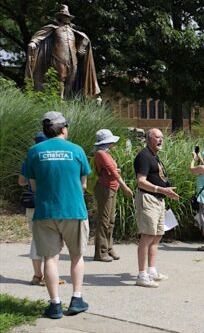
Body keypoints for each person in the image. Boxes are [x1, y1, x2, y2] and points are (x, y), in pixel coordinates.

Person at [24, 111, 92, 319]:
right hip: (73, 210)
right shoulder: (77, 150)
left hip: (45, 211)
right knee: (76, 255)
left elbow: (33, 185)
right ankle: (77, 298)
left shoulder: (34, 151)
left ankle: (54, 304)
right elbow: (83, 185)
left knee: (50, 259)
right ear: (63, 129)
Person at [133, 128, 180, 288]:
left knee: (157, 235)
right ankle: (141, 275)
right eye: (157, 137)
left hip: (159, 200)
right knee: (147, 236)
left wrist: (167, 192)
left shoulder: (154, 156)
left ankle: (151, 270)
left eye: (162, 137)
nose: (161, 140)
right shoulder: (144, 156)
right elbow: (141, 181)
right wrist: (161, 190)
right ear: (149, 138)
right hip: (148, 199)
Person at [18, 132, 65, 286]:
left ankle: (38, 275)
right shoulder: (49, 156)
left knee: (36, 239)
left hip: (32, 204)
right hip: (48, 203)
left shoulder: (30, 157)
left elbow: (21, 181)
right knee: (52, 240)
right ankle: (49, 276)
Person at [25, 5, 100, 98]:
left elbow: (85, 40)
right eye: (65, 16)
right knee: (60, 77)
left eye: (68, 17)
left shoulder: (73, 31)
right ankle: (59, 99)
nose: (67, 19)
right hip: (58, 58)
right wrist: (33, 42)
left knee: (71, 80)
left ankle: (66, 98)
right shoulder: (54, 28)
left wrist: (82, 47)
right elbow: (39, 35)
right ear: (60, 17)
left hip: (73, 59)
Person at [93, 129, 133, 262]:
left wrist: (116, 171)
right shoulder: (101, 154)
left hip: (111, 188)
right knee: (104, 221)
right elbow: (113, 172)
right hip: (105, 188)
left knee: (110, 221)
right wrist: (125, 187)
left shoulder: (106, 154)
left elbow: (112, 170)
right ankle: (100, 251)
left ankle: (108, 248)